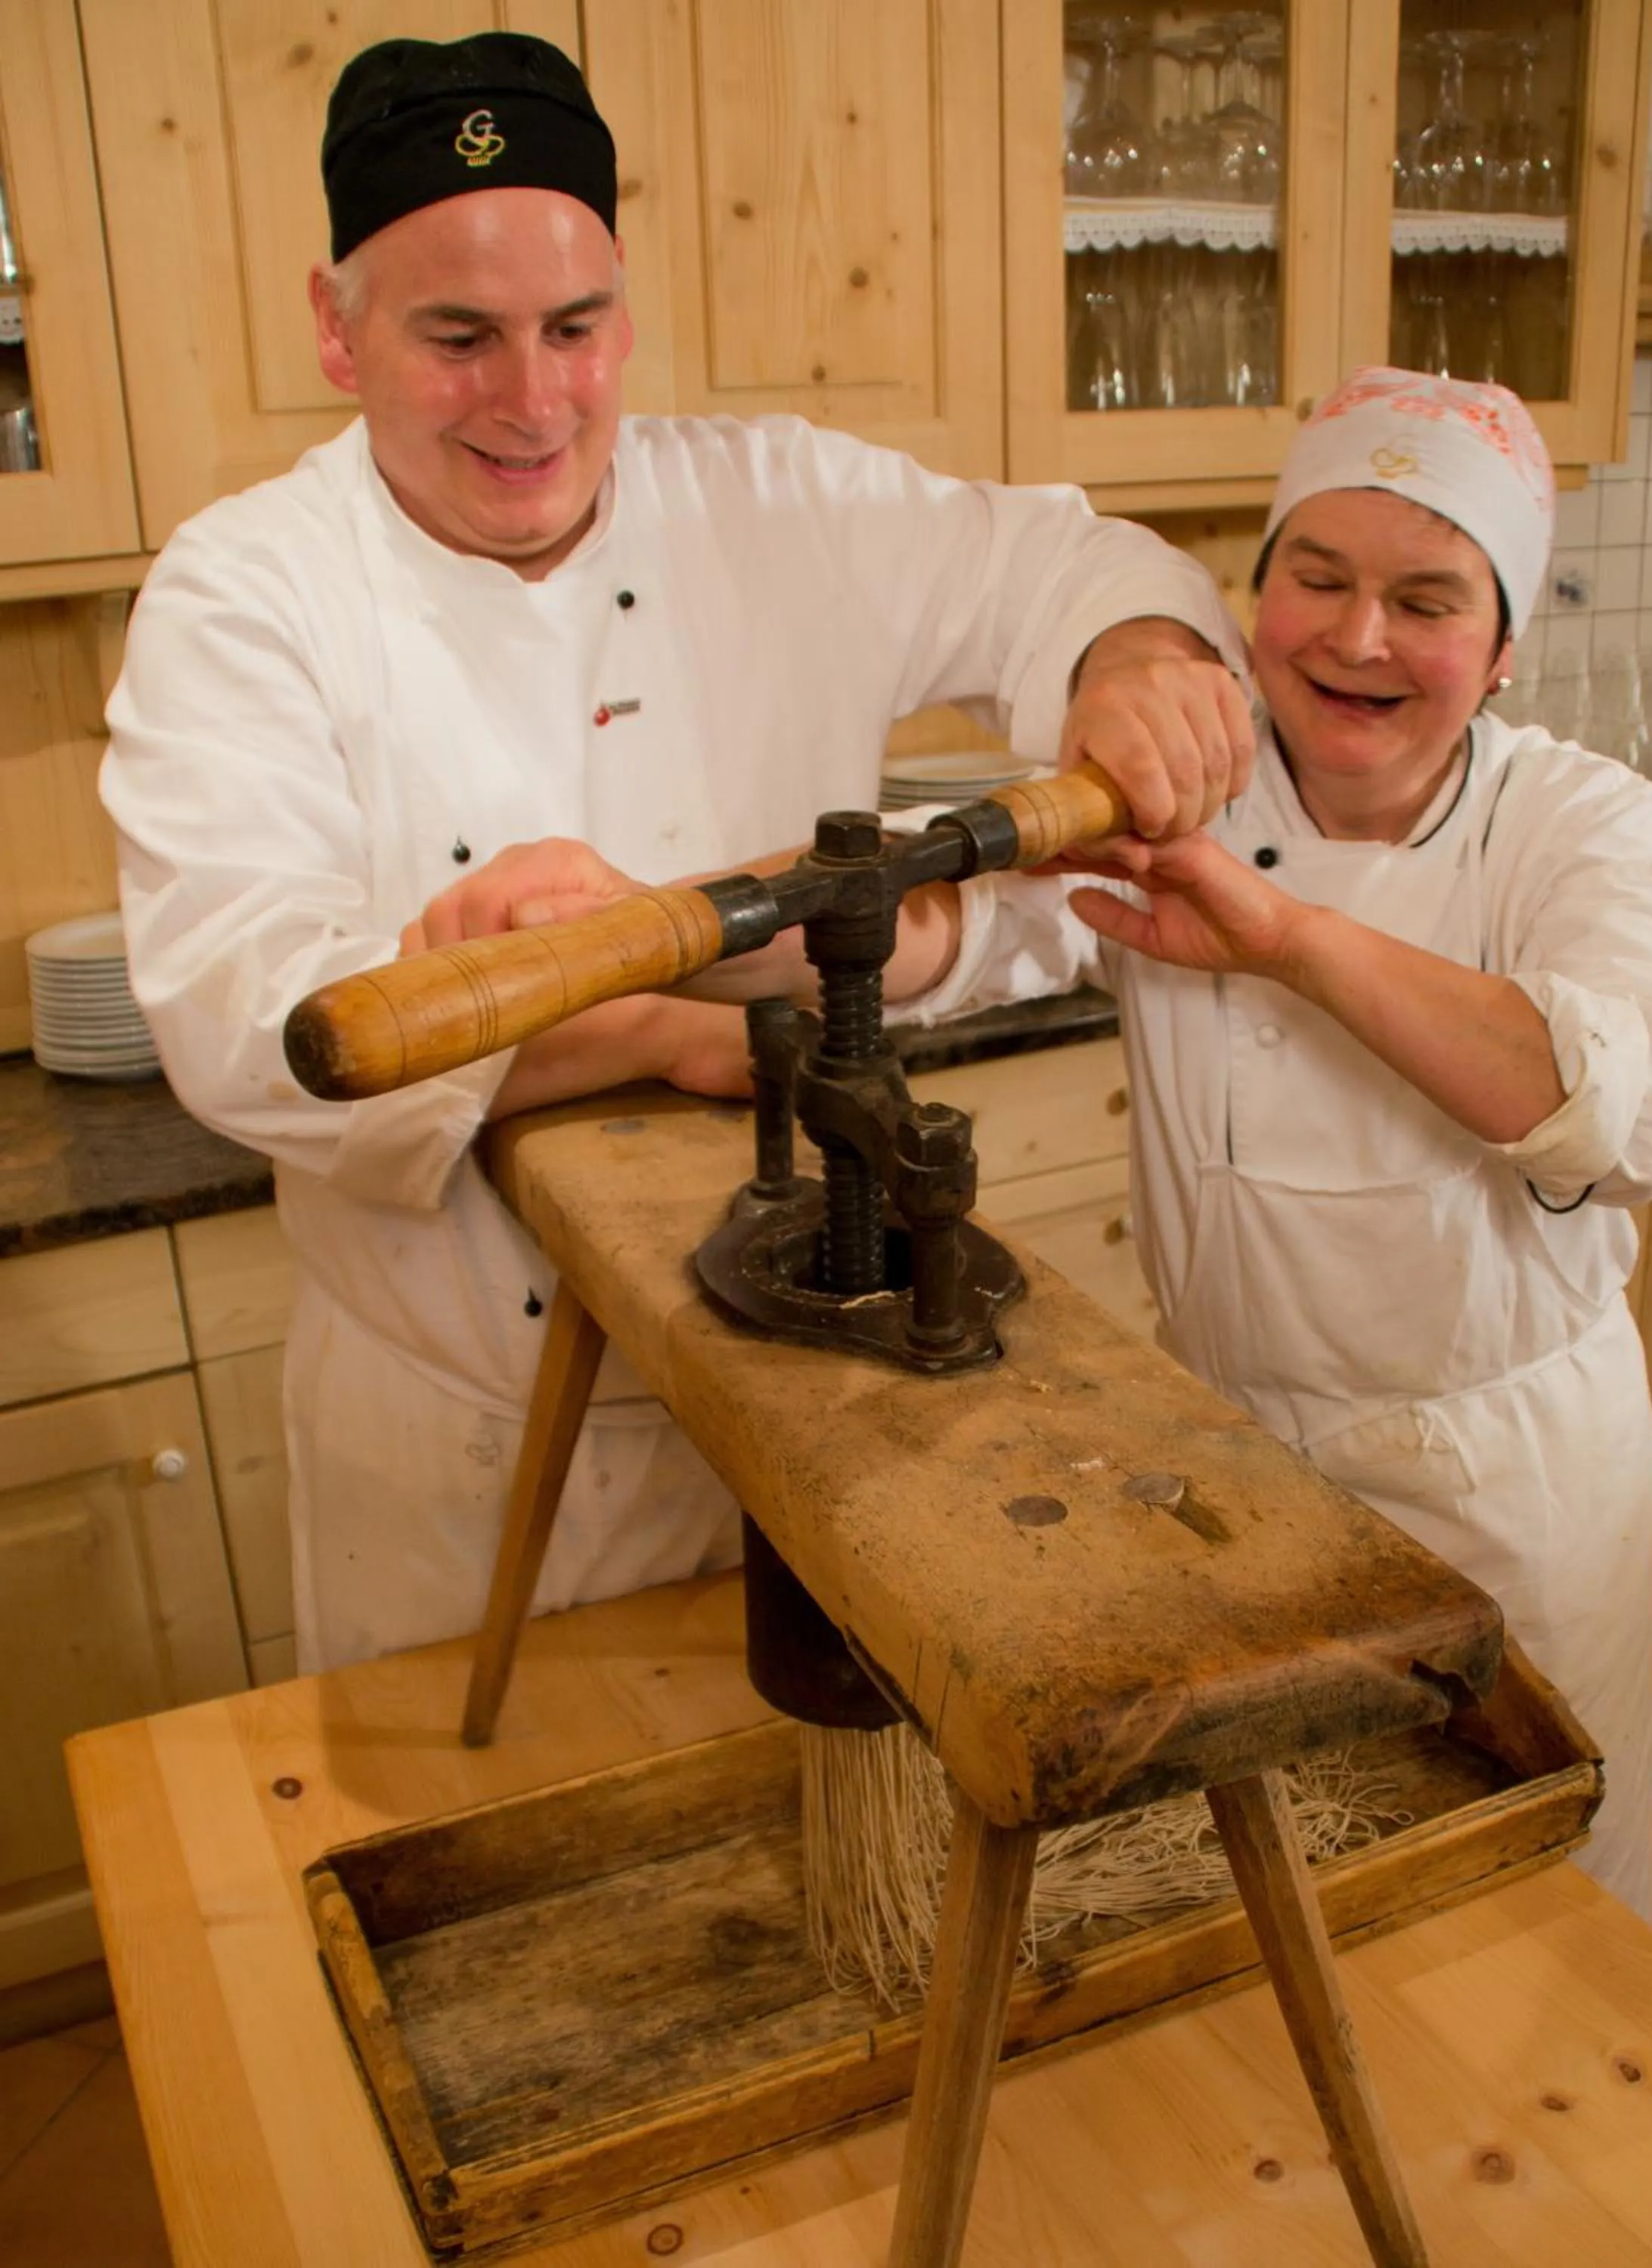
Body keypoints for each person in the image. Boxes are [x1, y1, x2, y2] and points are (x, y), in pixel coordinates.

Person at [98, 31, 1251, 1675]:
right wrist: (692, 1026)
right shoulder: (246, 591)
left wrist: (1130, 655)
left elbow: (1066, 561)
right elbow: (250, 1030)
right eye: (457, 337)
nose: (533, 399)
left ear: (622, 312)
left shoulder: (779, 501)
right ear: (335, 329)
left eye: (575, 328)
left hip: (810, 1414)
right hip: (456, 1455)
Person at [889, 367, 1652, 1923]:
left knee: (1540, 1906)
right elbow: (956, 931)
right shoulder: (1179, 797)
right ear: (1250, 597)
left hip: (1506, 1487)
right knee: (1276, 1903)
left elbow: (1650, 1104)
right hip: (1234, 1477)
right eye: (1314, 579)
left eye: (1422, 600)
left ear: (1497, 649)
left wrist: (1287, 942)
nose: (1354, 639)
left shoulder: (1574, 823)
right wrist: (734, 932)